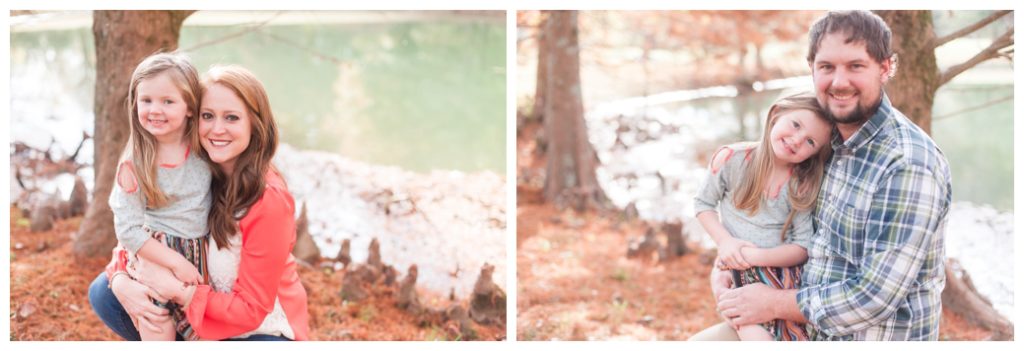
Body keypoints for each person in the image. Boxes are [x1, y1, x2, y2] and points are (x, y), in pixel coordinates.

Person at [693, 10, 952, 341]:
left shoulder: (908, 164)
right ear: (812, 69)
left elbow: (873, 298)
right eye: (827, 67)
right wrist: (729, 263)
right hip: (798, 326)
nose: (839, 82)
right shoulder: (820, 146)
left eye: (855, 66)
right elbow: (769, 218)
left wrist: (770, 303)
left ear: (885, 68)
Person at [89, 64, 310, 341]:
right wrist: (122, 280)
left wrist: (179, 291)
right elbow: (136, 229)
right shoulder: (200, 168)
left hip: (258, 330)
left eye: (231, 118)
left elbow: (251, 310)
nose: (217, 129)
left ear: (255, 124)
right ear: (194, 117)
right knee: (105, 292)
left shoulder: (268, 200)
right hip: (202, 310)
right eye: (208, 116)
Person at [694, 92, 833, 341]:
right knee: (751, 331)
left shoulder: (801, 185)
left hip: (783, 274)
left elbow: (802, 247)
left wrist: (755, 256)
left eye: (810, 142)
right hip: (740, 274)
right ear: (776, 113)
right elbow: (703, 204)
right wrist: (725, 242)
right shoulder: (730, 159)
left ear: (815, 154)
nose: (797, 140)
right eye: (795, 124)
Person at [107, 52, 210, 341]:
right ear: (135, 103)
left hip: (201, 254)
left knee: (202, 332)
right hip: (156, 256)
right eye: (146, 100)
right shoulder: (134, 163)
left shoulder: (203, 149)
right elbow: (126, 228)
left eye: (168, 101)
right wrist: (174, 263)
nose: (155, 110)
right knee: (157, 322)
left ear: (190, 106)